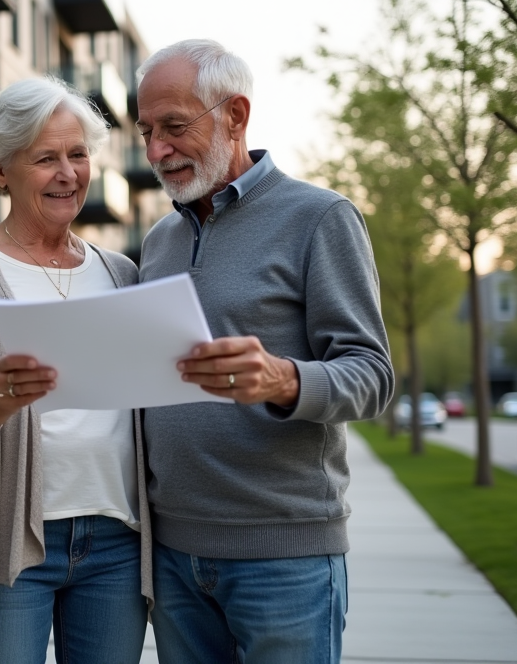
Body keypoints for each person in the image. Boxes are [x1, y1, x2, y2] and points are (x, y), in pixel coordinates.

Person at [135, 39, 394, 664]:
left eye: (174, 127)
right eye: (145, 131)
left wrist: (283, 380)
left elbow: (373, 376)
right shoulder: (159, 240)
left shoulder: (320, 217)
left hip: (286, 557)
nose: (155, 151)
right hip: (172, 558)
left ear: (235, 114)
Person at [0, 77, 152, 664]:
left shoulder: (120, 271)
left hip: (116, 541)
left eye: (78, 154)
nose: (68, 173)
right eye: (45, 158)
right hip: (8, 543)